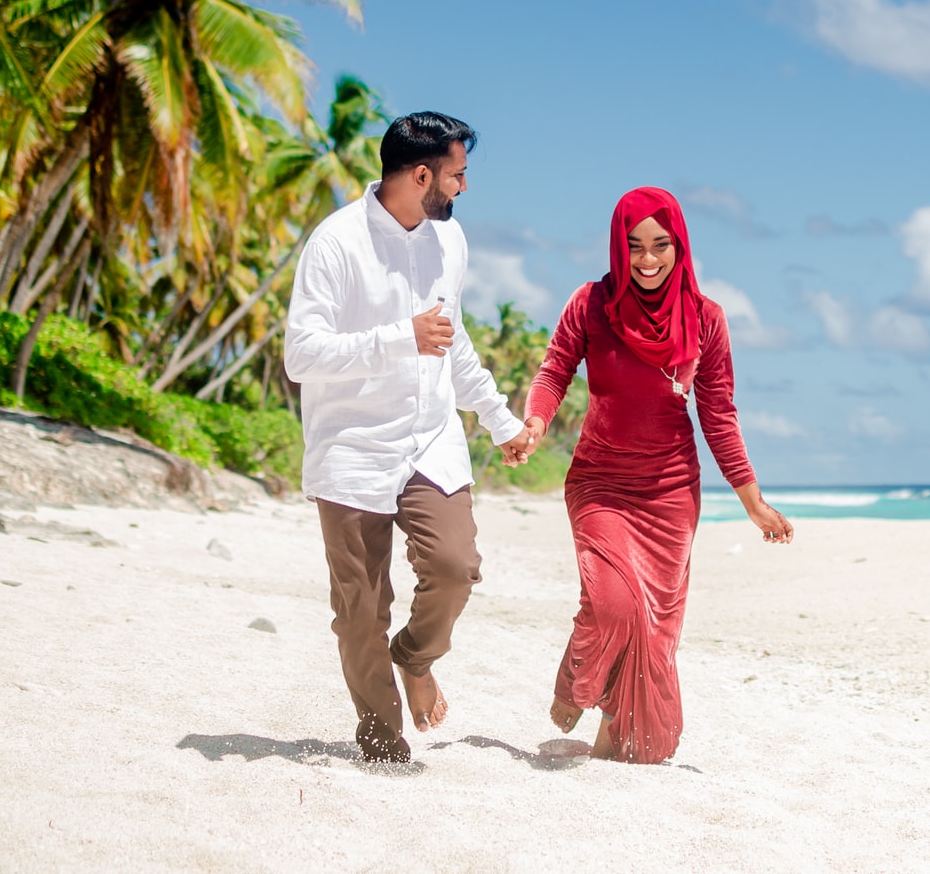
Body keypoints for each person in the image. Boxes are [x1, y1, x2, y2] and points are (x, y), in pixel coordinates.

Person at [511, 186, 791, 763]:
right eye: (634, 245)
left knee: (654, 629)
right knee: (614, 604)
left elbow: (718, 415)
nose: (646, 259)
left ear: (679, 245)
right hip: (601, 482)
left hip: (669, 493)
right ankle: (575, 680)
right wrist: (536, 421)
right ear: (618, 245)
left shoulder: (707, 319)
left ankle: (616, 734)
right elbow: (555, 368)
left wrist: (753, 503)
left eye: (660, 245)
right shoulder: (590, 303)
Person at [283, 111, 532, 763]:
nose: (465, 188)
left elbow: (454, 342)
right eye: (458, 175)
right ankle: (381, 736)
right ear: (421, 175)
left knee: (454, 568)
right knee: (360, 609)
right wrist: (400, 339)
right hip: (351, 450)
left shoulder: (450, 244)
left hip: (429, 440)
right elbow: (300, 356)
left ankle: (415, 658)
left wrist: (500, 420)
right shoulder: (335, 242)